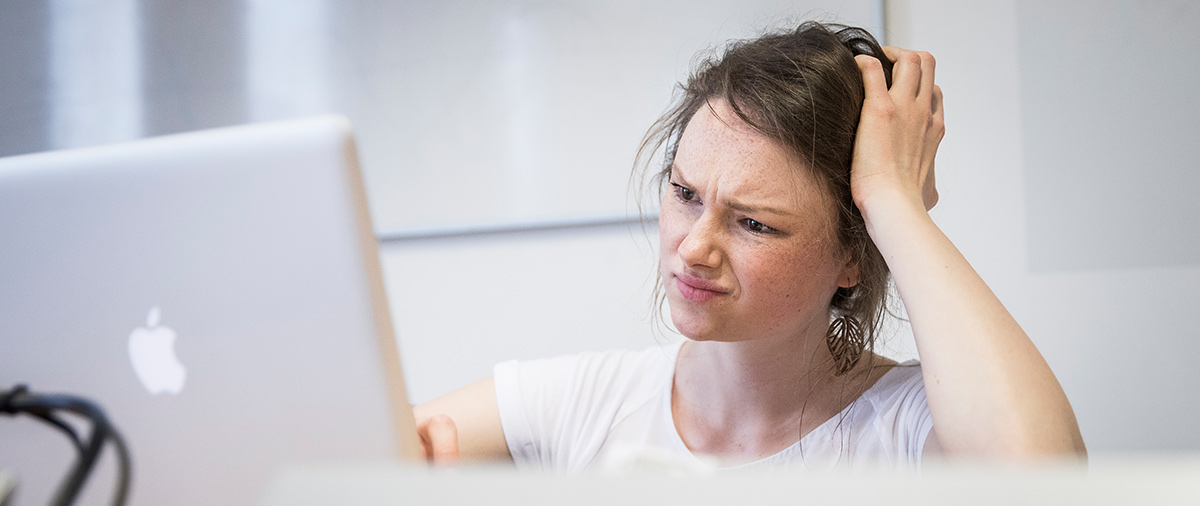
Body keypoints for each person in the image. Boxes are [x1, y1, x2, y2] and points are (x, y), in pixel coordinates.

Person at [413, 21, 1087, 472]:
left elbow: (1042, 479)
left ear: (854, 255)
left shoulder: (905, 427)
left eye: (754, 224)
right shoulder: (588, 400)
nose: (694, 247)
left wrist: (893, 201)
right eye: (684, 194)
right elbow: (354, 457)